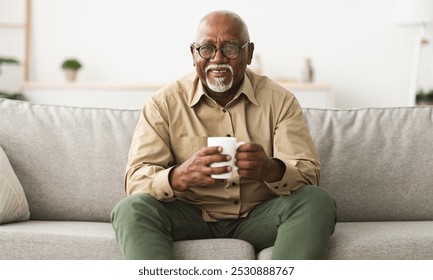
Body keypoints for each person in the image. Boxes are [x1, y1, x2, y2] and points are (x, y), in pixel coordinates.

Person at [111, 10, 336, 260]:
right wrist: (178, 177)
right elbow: (135, 181)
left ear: (248, 53)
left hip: (260, 216)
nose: (218, 59)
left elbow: (309, 174)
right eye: (207, 48)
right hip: (189, 216)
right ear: (193, 53)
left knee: (316, 200)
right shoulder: (163, 104)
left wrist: (271, 169)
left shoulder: (280, 101)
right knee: (131, 209)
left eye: (230, 48)